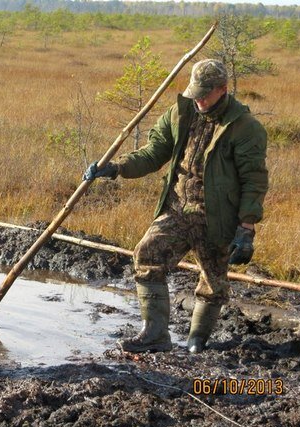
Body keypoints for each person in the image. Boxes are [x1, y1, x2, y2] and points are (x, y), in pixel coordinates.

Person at [83, 59, 268, 353]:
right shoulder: (181, 112)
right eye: (195, 92)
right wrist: (116, 168)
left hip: (217, 217)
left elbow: (254, 181)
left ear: (223, 89)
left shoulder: (245, 127)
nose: (198, 100)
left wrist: (246, 227)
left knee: (213, 281)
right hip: (178, 208)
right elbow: (154, 153)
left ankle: (197, 340)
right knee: (147, 253)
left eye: (205, 94)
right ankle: (155, 335)